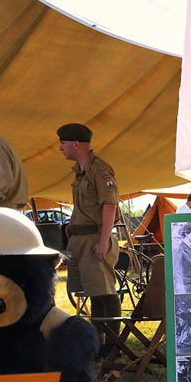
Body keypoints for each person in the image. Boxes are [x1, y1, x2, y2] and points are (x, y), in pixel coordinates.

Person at [58, 123, 123, 356]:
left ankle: (113, 346)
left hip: (96, 238)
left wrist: (104, 240)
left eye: (63, 143)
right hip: (82, 239)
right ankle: (98, 342)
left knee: (105, 291)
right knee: (94, 291)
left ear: (76, 144)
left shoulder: (99, 169)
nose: (60, 148)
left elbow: (109, 205)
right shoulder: (81, 171)